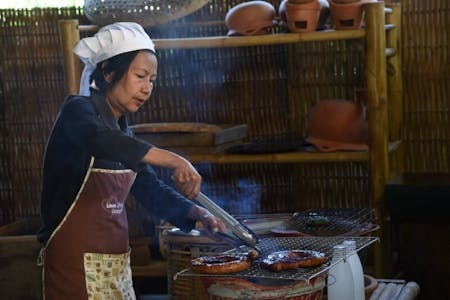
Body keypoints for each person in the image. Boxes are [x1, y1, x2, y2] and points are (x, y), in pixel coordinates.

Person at [37, 22, 226, 300]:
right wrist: (176, 161)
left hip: (113, 266)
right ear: (109, 71)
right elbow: (102, 140)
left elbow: (149, 188)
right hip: (74, 265)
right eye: (140, 76)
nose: (147, 88)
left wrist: (196, 213)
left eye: (151, 80)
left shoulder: (122, 130)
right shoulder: (78, 111)